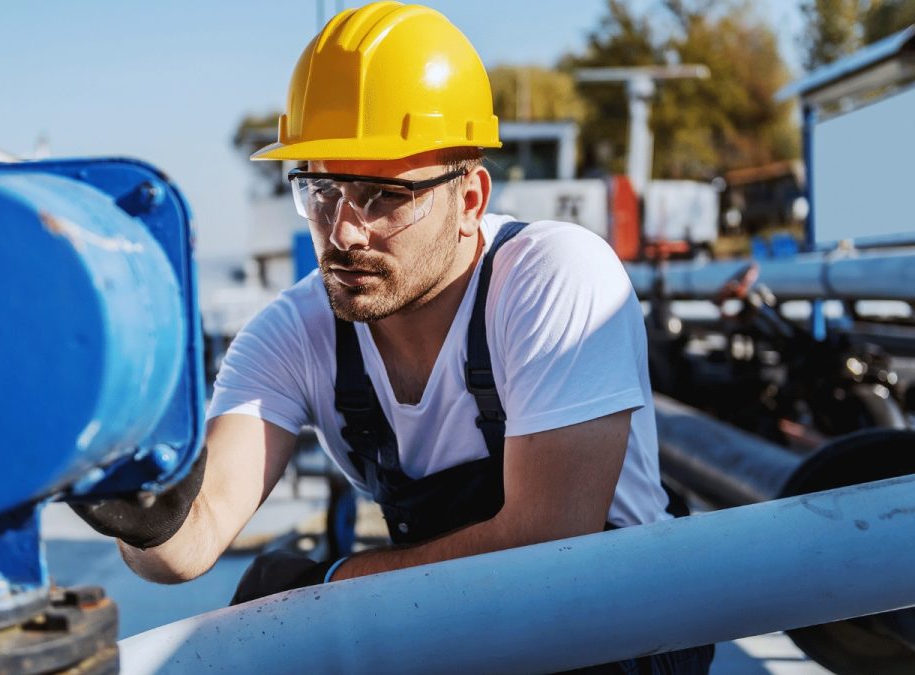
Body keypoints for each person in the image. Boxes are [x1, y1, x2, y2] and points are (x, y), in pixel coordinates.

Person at [73, 2, 713, 672]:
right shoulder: (294, 333)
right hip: (452, 625)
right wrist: (115, 476)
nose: (344, 231)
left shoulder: (554, 276)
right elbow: (188, 541)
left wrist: (331, 587)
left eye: (382, 196)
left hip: (615, 636)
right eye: (322, 190)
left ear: (469, 200)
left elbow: (546, 543)